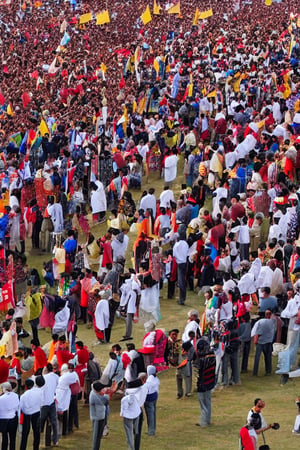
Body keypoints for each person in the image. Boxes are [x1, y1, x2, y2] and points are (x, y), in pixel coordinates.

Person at [195, 337, 216, 428]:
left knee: (202, 403)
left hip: (203, 383)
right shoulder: (212, 356)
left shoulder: (202, 359)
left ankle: (203, 422)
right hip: (210, 381)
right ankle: (207, 419)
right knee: (208, 401)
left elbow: (199, 372)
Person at [19, 376, 45, 450]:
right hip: (36, 413)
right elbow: (42, 403)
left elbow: (21, 407)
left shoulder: (23, 396)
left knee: (25, 433)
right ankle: (36, 448)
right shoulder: (39, 392)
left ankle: (23, 448)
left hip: (27, 414)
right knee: (36, 432)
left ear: (26, 387)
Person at [251, 310, 277, 376]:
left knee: (257, 357)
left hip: (260, 342)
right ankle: (268, 371)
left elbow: (257, 332)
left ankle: (255, 372)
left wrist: (255, 340)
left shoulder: (261, 321)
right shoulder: (273, 322)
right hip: (268, 342)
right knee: (268, 357)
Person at [40, 363, 59, 447]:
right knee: (54, 422)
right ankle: (55, 440)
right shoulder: (56, 377)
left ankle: (39, 437)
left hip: (44, 404)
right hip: (52, 402)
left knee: (41, 422)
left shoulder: (43, 378)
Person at [89, 381, 109, 450]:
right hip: (97, 419)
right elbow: (106, 400)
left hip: (101, 417)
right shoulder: (94, 396)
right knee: (96, 438)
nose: (103, 389)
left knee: (98, 437)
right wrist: (107, 394)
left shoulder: (96, 393)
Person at [0, 381, 19, 450]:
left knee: (4, 437)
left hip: (3, 419)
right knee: (12, 438)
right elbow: (17, 407)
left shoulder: (1, 398)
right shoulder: (16, 396)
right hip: (13, 418)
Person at [144, 365, 160, 436]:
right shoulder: (156, 378)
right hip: (155, 396)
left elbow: (146, 389)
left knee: (150, 414)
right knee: (153, 414)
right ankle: (152, 429)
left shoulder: (149, 380)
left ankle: (151, 431)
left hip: (149, 398)